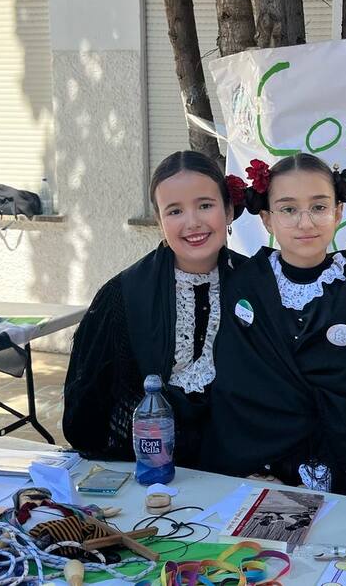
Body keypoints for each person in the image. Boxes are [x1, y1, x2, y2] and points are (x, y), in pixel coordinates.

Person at [200, 153, 346, 496]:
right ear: (267, 219)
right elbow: (237, 384)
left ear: (338, 212)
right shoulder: (244, 284)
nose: (305, 222)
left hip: (333, 464)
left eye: (319, 207)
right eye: (288, 209)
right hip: (252, 467)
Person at [62, 150, 247, 465]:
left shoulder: (257, 284)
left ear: (228, 211)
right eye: (174, 211)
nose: (193, 222)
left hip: (242, 466)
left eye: (205, 205)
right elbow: (88, 412)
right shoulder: (123, 295)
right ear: (160, 221)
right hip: (147, 467)